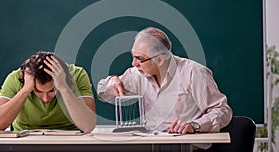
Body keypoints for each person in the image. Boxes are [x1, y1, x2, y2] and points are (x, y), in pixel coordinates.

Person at [97, 26, 232, 139]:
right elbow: (102, 94)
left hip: (187, 147)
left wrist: (194, 126)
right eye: (133, 56)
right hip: (151, 147)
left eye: (140, 58)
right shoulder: (138, 74)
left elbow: (222, 111)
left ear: (160, 60)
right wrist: (111, 81)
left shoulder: (194, 73)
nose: (134, 63)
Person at [0, 51, 96, 132]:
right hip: (24, 144)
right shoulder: (15, 78)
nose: (45, 98)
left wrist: (63, 87)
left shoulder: (78, 75)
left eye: (52, 91)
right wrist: (26, 90)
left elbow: (88, 126)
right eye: (38, 91)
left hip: (70, 141)